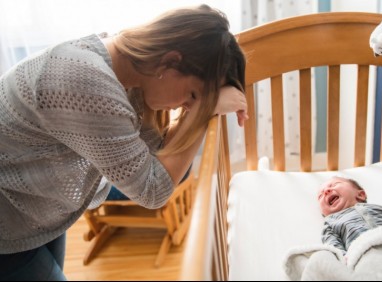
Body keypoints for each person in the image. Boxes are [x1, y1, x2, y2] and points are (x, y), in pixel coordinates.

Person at [0, 4, 247, 281]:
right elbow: (152, 191)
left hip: (40, 207)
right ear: (171, 61)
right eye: (191, 95)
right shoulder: (86, 80)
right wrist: (205, 111)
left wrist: (204, 103)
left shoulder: (127, 71)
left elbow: (159, 154)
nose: (186, 107)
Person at [317, 176, 382, 255]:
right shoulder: (331, 222)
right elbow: (333, 248)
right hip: (364, 253)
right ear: (324, 214)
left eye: (334, 184)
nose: (326, 191)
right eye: (320, 196)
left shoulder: (376, 208)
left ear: (360, 195)